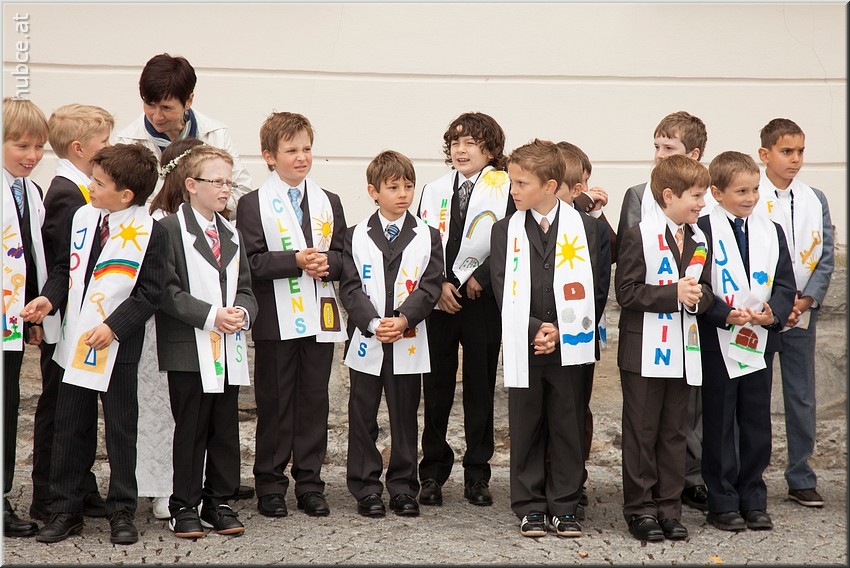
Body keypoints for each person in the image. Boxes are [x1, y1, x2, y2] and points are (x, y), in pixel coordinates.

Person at [21, 143, 168, 545]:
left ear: (126, 195)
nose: (90, 187)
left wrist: (114, 327)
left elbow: (150, 293)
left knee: (121, 429)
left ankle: (122, 510)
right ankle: (65, 509)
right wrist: (49, 299)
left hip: (117, 348)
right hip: (76, 342)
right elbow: (64, 270)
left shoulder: (152, 232)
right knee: (70, 426)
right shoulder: (83, 217)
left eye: (99, 183)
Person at [490, 139, 609, 538]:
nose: (513, 190)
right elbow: (501, 287)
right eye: (512, 182)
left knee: (567, 424)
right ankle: (529, 505)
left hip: (570, 342)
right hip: (525, 342)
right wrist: (533, 329)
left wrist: (560, 328)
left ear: (550, 186)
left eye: (521, 183)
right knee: (526, 424)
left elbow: (597, 289)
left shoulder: (587, 228)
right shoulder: (504, 230)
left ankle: (565, 504)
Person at [237, 111, 347, 518]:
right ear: (269, 156)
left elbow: (344, 257)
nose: (301, 158)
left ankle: (310, 483)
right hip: (275, 320)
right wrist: (295, 260)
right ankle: (269, 482)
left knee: (314, 401)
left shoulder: (328, 201)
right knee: (276, 402)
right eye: (291, 150)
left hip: (319, 316)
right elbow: (250, 263)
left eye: (306, 149)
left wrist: (327, 264)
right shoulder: (252, 204)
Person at [155, 145, 257, 538]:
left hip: (227, 346)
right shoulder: (169, 230)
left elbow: (245, 287)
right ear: (192, 185)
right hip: (188, 347)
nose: (226, 189)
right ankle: (184, 504)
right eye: (217, 182)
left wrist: (242, 312)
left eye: (229, 182)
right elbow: (166, 291)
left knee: (224, 427)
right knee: (191, 427)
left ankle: (219, 500)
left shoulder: (231, 232)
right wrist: (212, 315)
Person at [616, 111, 713, 512]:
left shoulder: (699, 238)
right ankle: (641, 508)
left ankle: (670, 506)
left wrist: (698, 298)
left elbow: (706, 290)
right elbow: (626, 291)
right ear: (669, 197)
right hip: (644, 349)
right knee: (643, 430)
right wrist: (674, 294)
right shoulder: (639, 235)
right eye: (696, 197)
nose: (702, 204)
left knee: (675, 430)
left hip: (683, 348)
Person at [416, 111, 514, 507]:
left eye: (471, 142)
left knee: (479, 388)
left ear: (490, 149)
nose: (461, 149)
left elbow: (512, 239)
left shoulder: (506, 187)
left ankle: (477, 473)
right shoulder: (434, 189)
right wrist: (438, 283)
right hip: (439, 302)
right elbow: (421, 241)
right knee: (436, 388)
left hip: (481, 302)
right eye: (455, 142)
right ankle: (432, 472)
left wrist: (483, 276)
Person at [340, 150, 443, 518]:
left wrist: (403, 319)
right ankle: (366, 486)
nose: (403, 194)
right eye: (393, 187)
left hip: (406, 337)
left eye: (408, 186)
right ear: (373, 191)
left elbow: (430, 285)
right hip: (367, 337)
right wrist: (372, 322)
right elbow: (350, 287)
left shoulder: (428, 235)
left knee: (404, 415)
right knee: (362, 414)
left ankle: (402, 486)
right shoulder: (354, 235)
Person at [697, 150, 796, 532]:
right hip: (719, 339)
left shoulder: (771, 231)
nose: (751, 197)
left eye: (755, 189)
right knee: (720, 421)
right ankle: (722, 500)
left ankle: (753, 496)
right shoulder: (702, 230)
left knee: (756, 421)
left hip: (759, 339)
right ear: (717, 192)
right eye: (741, 191)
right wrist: (723, 313)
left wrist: (774, 313)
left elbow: (784, 283)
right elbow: (699, 285)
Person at [29, 103, 113, 525]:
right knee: (59, 409)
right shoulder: (67, 194)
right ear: (79, 148)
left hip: (79, 319)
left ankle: (80, 483)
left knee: (77, 408)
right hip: (64, 322)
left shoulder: (82, 188)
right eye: (104, 143)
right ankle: (48, 492)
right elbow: (64, 264)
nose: (110, 148)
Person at [753, 118, 835, 508]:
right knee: (753, 396)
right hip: (760, 312)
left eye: (801, 151)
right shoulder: (750, 194)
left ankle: (801, 475)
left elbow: (826, 256)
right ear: (764, 154)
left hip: (801, 313)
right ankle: (749, 474)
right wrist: (776, 305)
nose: (796, 159)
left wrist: (804, 302)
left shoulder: (814, 198)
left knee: (801, 397)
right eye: (786, 151)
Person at [137, 137, 206, 522]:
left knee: (195, 408)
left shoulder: (214, 220)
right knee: (162, 406)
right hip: (162, 327)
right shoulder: (160, 222)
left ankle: (196, 482)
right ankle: (163, 485)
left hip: (202, 326)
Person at [554, 142, 614, 517]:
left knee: (576, 410)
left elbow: (601, 283)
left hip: (580, 331)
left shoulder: (591, 225)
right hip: (542, 332)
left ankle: (573, 481)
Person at [2, 97, 53, 538]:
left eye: (39, 146)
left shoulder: (30, 191)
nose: (32, 155)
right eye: (21, 145)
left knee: (8, 403)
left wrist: (35, 313)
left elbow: (31, 259)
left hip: (13, 319)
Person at [115, 52, 251, 214]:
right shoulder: (126, 142)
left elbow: (242, 191)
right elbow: (118, 200)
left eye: (166, 108)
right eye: (150, 105)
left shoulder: (215, 135)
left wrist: (203, 212)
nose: (157, 117)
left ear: (188, 100)